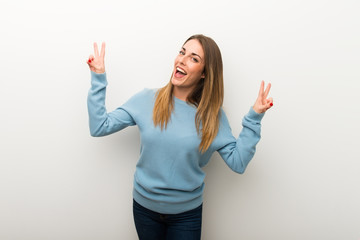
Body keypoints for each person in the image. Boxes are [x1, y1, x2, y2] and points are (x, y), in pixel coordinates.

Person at [86, 34, 273, 240]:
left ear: (204, 73)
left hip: (186, 216)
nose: (182, 60)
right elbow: (99, 127)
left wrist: (254, 118)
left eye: (194, 58)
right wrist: (98, 78)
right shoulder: (146, 100)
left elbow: (238, 162)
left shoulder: (212, 117)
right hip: (144, 209)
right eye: (182, 52)